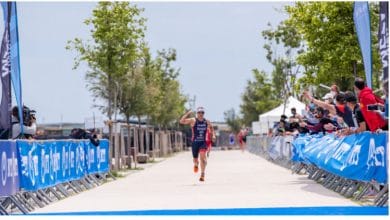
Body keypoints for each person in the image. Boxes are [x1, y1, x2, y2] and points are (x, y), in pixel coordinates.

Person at [180, 107, 215, 182]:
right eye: (199, 112)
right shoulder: (193, 120)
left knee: (203, 158)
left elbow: (211, 128)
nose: (201, 114)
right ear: (197, 113)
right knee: (195, 160)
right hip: (195, 142)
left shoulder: (207, 121)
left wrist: (213, 135)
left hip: (203, 142)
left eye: (202, 112)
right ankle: (196, 164)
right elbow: (182, 121)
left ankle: (202, 174)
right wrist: (187, 114)